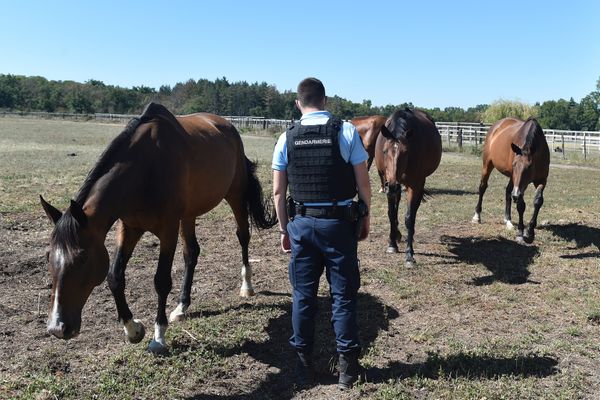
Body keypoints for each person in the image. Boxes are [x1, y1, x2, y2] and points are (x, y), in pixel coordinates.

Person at [272, 77, 371, 389]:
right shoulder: (346, 131)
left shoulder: (285, 137)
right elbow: (363, 183)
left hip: (301, 224)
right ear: (325, 100)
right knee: (343, 296)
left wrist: (284, 229)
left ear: (298, 104)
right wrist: (365, 215)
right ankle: (347, 371)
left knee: (302, 297)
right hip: (339, 224)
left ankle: (303, 368)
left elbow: (277, 192)